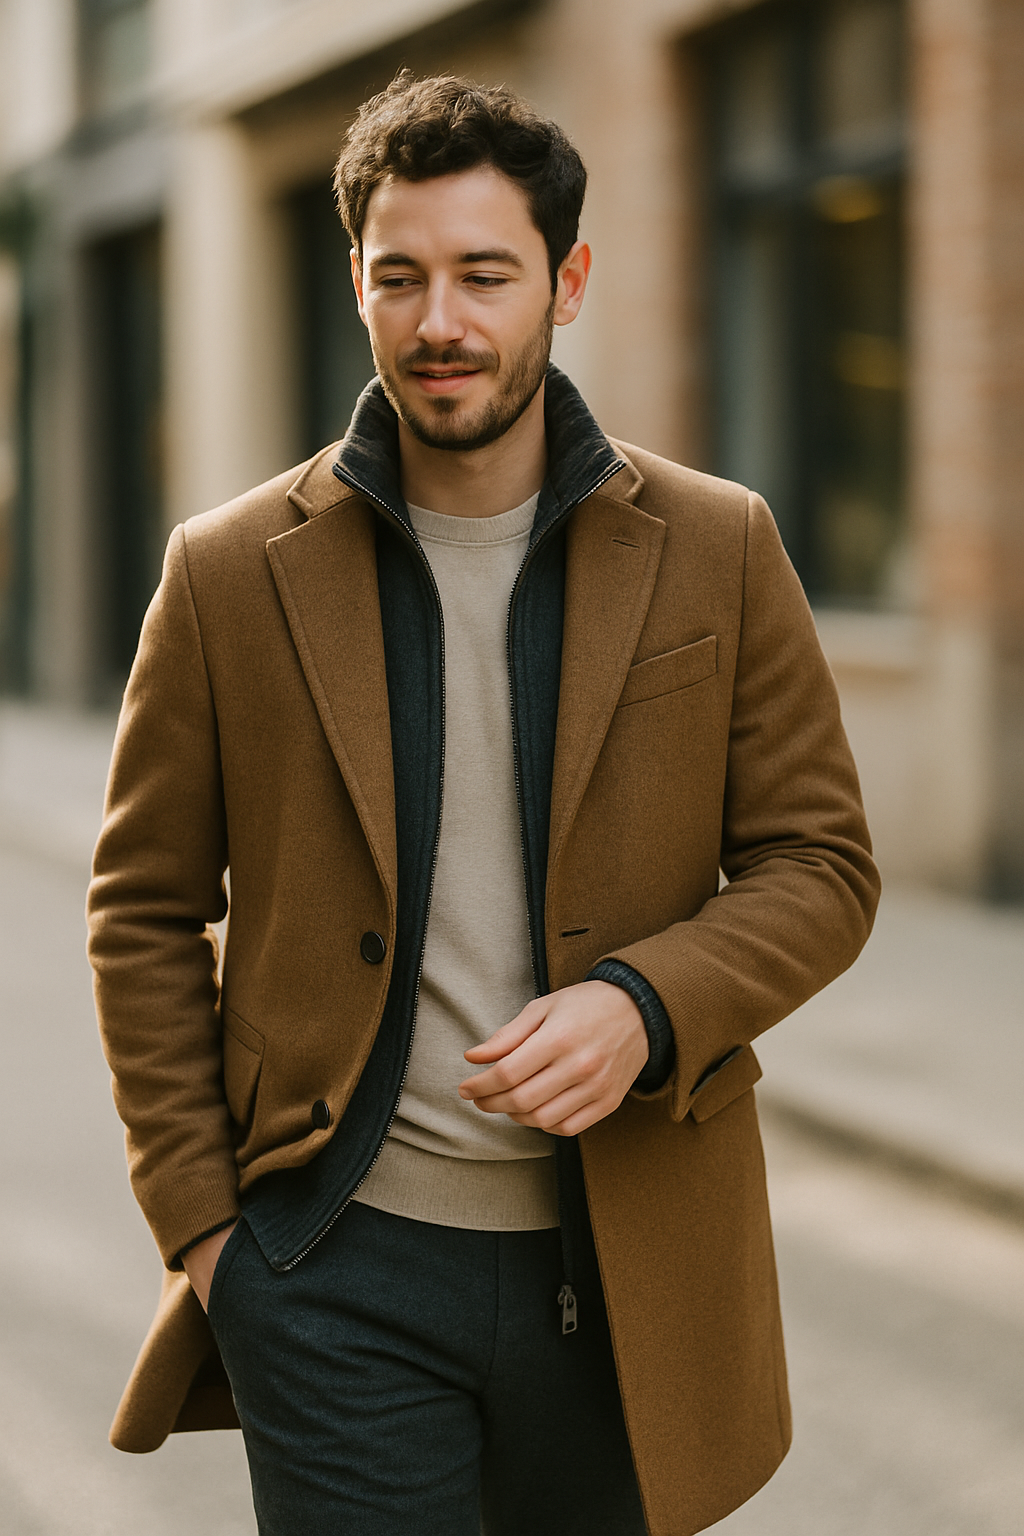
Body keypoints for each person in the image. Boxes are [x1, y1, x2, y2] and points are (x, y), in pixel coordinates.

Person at [87, 71, 879, 1536]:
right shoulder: (224, 571)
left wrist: (648, 1002)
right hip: (335, 1273)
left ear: (565, 283)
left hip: (631, 1273)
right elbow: (140, 910)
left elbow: (821, 862)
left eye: (484, 275)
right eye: (402, 277)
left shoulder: (719, 544)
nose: (440, 319)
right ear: (358, 284)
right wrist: (209, 1234)